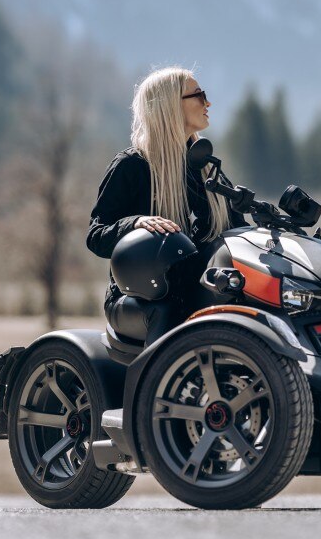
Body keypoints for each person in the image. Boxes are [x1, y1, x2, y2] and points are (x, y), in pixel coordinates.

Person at [87, 67, 245, 343]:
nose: (208, 103)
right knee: (169, 311)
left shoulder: (205, 168)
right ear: (170, 105)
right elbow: (96, 236)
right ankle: (157, 387)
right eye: (199, 95)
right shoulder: (131, 165)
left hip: (196, 290)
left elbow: (237, 229)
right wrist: (135, 224)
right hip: (138, 299)